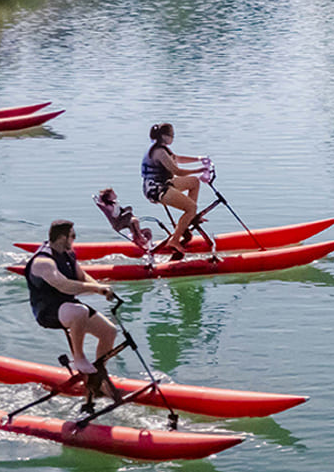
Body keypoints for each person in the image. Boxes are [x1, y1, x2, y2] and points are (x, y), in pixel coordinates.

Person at [24, 219, 119, 386]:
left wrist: (100, 288)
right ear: (62, 238)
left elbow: (82, 277)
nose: (75, 239)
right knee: (79, 311)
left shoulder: (68, 253)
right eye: (72, 236)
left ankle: (99, 374)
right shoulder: (44, 262)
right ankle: (79, 358)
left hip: (69, 307)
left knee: (109, 331)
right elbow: (64, 286)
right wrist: (96, 289)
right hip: (47, 311)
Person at [141, 122, 210, 256]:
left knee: (194, 182)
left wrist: (200, 159)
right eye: (171, 135)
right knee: (191, 208)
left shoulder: (163, 149)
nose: (173, 137)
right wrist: (200, 169)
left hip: (165, 183)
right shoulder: (159, 152)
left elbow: (177, 159)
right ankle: (175, 240)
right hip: (157, 190)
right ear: (164, 137)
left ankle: (189, 219)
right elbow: (177, 171)